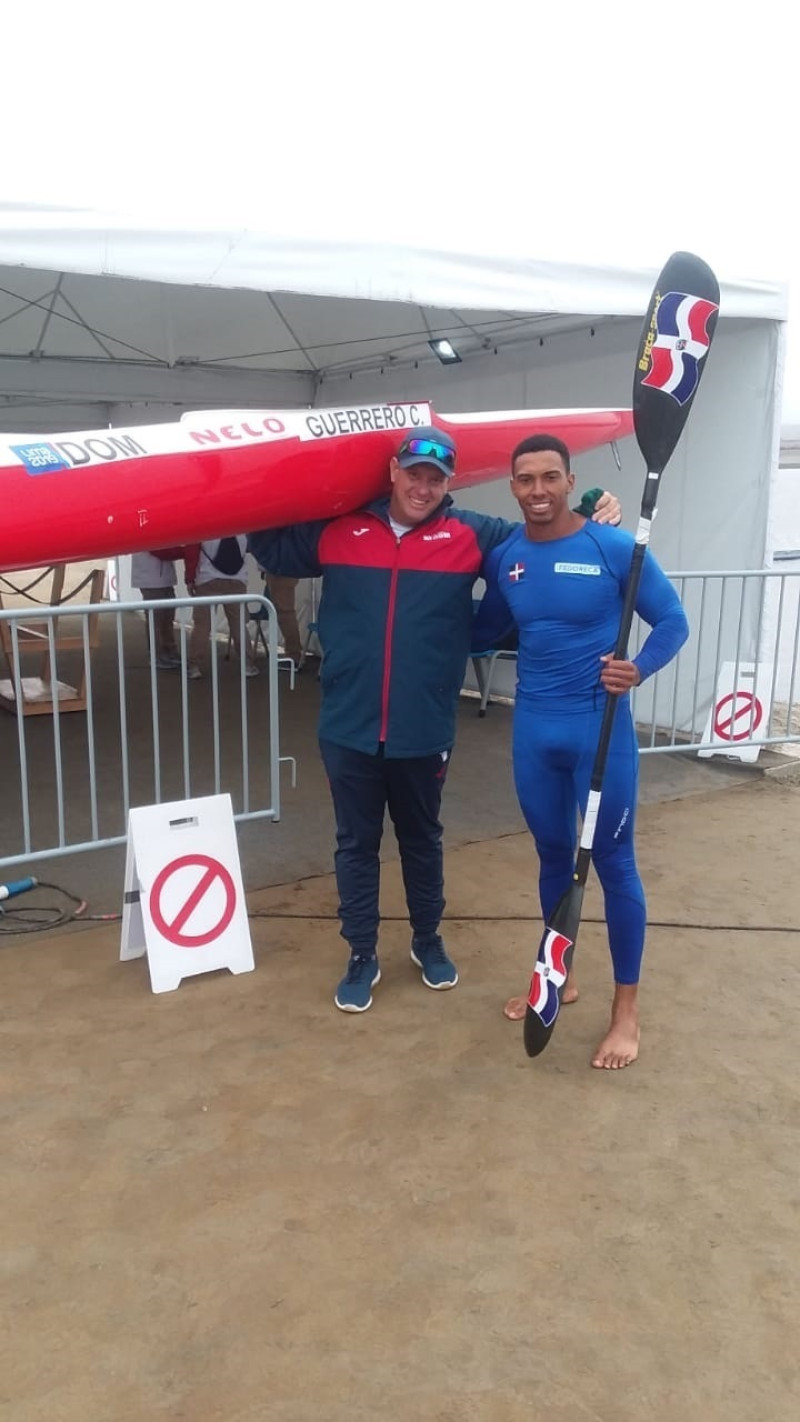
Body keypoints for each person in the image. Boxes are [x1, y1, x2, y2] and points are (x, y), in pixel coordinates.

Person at [248, 426, 620, 1014]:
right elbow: (272, 547)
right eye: (414, 473)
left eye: (436, 478)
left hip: (424, 728)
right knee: (355, 845)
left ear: (448, 483)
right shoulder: (341, 526)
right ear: (393, 472)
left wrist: (592, 505)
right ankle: (361, 954)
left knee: (423, 841)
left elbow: (542, 537)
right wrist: (258, 482)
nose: (423, 487)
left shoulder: (473, 534)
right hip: (348, 724)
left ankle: (427, 940)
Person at [473, 434, 689, 1068]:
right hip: (534, 733)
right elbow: (481, 630)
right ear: (511, 487)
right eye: (524, 480)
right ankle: (556, 979)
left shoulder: (613, 546)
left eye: (549, 477)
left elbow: (673, 620)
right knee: (550, 855)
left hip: (600, 732)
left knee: (615, 864)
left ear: (570, 481)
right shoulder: (506, 557)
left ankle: (627, 1011)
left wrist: (639, 668)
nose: (537, 490)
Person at [184, 536, 258, 679]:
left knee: (202, 625)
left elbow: (191, 552)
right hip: (237, 580)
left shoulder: (204, 526)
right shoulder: (242, 529)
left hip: (207, 579)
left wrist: (190, 578)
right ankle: (248, 665)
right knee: (239, 624)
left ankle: (193, 665)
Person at [130, 549, 182, 668]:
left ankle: (169, 651)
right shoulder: (144, 531)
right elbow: (160, 551)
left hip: (165, 578)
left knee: (167, 618)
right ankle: (157, 656)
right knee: (156, 620)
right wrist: (186, 552)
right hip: (150, 579)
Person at [263, 573, 303, 666]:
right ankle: (293, 653)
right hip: (282, 572)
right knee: (285, 613)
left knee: (285, 614)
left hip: (280, 573)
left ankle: (293, 655)